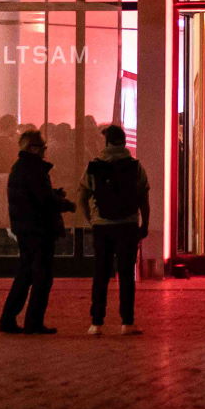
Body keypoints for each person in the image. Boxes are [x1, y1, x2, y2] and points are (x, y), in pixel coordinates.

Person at [0, 129, 71, 335]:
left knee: (25, 274)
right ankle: (33, 321)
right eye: (42, 147)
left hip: (26, 228)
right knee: (42, 277)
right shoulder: (34, 170)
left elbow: (33, 197)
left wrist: (53, 195)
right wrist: (65, 204)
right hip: (39, 229)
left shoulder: (21, 168)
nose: (45, 151)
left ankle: (9, 318)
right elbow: (43, 201)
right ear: (33, 148)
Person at [80, 124, 150, 336]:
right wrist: (144, 224)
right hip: (127, 225)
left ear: (106, 141)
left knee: (100, 274)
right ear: (124, 141)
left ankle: (96, 322)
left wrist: (91, 220)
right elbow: (143, 199)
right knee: (126, 274)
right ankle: (127, 322)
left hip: (102, 226)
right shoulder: (135, 166)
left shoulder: (94, 166)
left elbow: (82, 195)